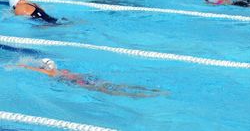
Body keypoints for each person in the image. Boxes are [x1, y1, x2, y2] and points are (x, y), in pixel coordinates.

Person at [17, 58, 164, 98]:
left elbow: (40, 71)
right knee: (115, 84)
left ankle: (141, 95)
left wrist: (23, 66)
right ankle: (149, 90)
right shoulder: (62, 70)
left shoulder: (53, 73)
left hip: (79, 83)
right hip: (87, 78)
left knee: (110, 92)